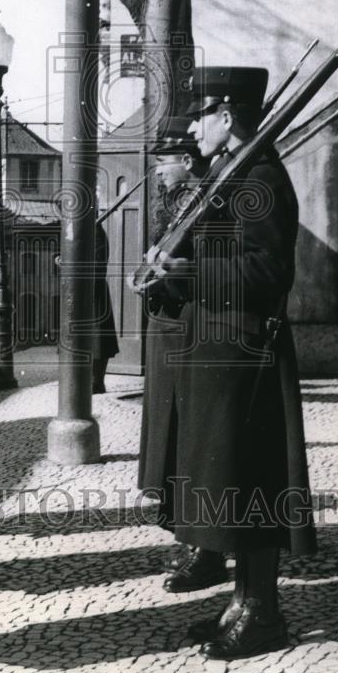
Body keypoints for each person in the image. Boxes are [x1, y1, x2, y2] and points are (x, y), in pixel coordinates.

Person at [139, 68, 316, 660]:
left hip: (245, 352)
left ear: (228, 114)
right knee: (225, 482)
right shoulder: (226, 174)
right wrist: (171, 265)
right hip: (214, 350)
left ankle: (262, 612)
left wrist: (190, 273)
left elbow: (270, 271)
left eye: (200, 115)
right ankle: (239, 603)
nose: (192, 127)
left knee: (251, 481)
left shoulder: (261, 178)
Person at [137, 115, 228, 593]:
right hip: (166, 326)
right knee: (172, 444)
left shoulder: (204, 200)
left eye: (163, 164)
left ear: (186, 162)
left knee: (188, 444)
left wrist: (166, 271)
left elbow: (205, 267)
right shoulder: (175, 202)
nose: (157, 172)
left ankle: (203, 550)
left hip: (185, 329)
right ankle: (188, 539)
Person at [91, 221, 119, 394]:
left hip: (93, 292)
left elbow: (95, 264)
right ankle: (94, 381)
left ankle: (96, 382)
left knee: (98, 339)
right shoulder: (93, 231)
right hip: (86, 291)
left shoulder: (95, 233)